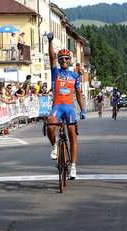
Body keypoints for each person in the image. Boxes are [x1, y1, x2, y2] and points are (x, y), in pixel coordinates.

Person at [46, 32, 85, 179]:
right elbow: (51, 58)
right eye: (61, 59)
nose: (63, 61)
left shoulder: (75, 76)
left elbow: (79, 94)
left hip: (69, 107)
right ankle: (55, 146)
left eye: (66, 59)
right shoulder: (55, 72)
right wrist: (50, 42)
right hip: (57, 106)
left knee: (72, 134)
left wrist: (83, 110)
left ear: (69, 61)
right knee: (50, 124)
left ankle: (73, 167)